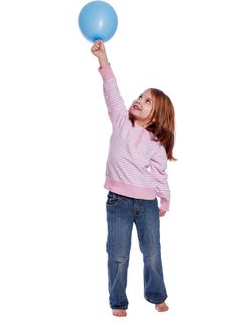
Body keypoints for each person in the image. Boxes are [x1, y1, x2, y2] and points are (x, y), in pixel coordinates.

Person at [91, 40, 176, 317]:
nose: (139, 99)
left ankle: (156, 295)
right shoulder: (120, 119)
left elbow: (160, 175)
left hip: (147, 205)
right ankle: (118, 301)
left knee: (152, 254)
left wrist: (164, 200)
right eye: (140, 95)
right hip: (118, 202)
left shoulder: (156, 144)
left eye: (147, 100)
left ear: (154, 118)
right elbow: (112, 90)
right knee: (118, 256)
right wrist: (103, 58)